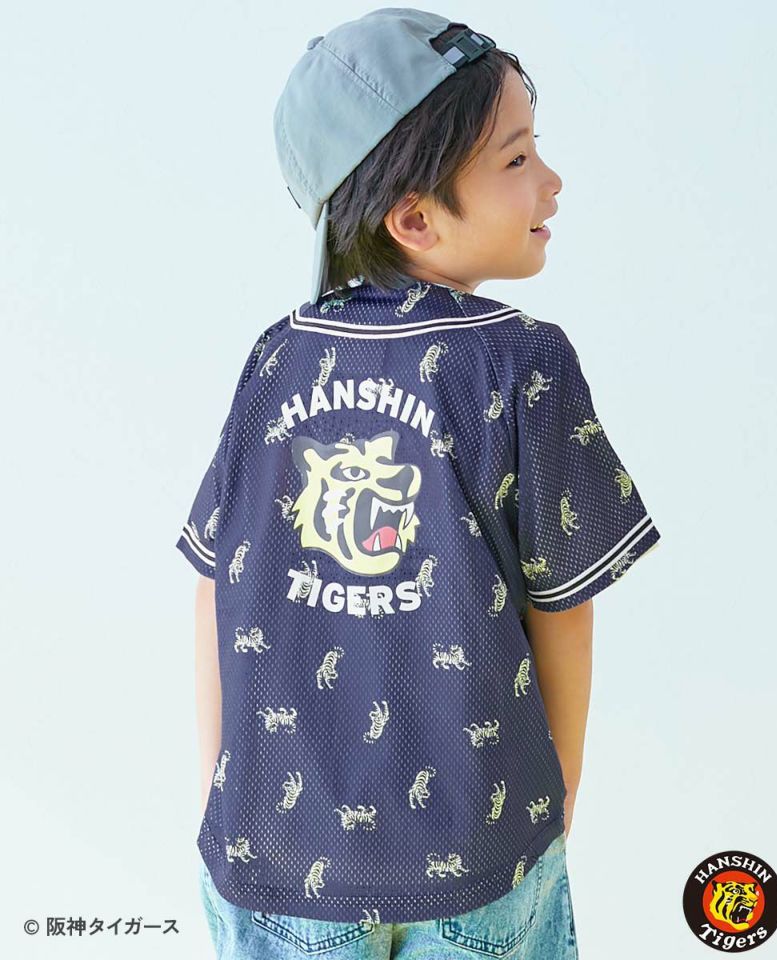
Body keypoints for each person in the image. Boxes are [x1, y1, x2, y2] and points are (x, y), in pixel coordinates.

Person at [176, 8, 662, 958]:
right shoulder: (520, 363)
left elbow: (213, 589)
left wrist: (220, 794)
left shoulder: (277, 359)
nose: (551, 180)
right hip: (479, 848)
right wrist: (557, 798)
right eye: (517, 158)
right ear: (414, 218)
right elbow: (563, 606)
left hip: (272, 854)